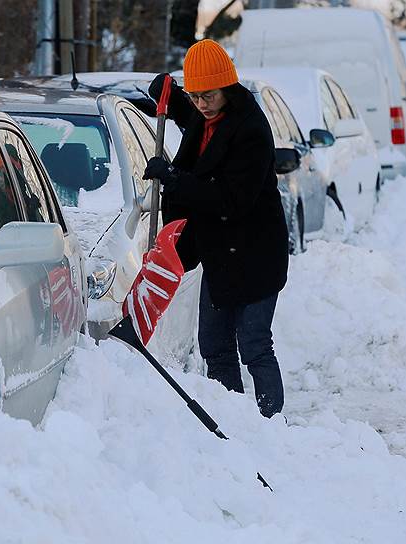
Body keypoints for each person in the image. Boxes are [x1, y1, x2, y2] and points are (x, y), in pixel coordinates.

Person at [142, 39, 289, 418]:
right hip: (220, 253)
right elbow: (188, 117)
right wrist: (171, 95)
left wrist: (174, 177)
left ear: (228, 87)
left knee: (254, 343)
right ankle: (234, 418)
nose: (201, 104)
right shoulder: (206, 116)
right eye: (195, 97)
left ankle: (271, 424)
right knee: (213, 344)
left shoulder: (250, 129)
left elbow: (229, 199)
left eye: (208, 95)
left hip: (256, 254)